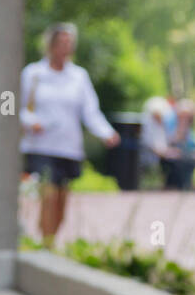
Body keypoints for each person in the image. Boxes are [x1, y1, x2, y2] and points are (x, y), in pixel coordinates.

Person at [18, 21, 120, 247]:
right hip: (41, 146)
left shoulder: (79, 76)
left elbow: (90, 110)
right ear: (50, 45)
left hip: (68, 148)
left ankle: (49, 240)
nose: (65, 47)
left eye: (69, 43)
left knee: (61, 204)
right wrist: (31, 122)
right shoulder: (33, 73)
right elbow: (18, 107)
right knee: (49, 196)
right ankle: (46, 245)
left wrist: (106, 133)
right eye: (61, 42)